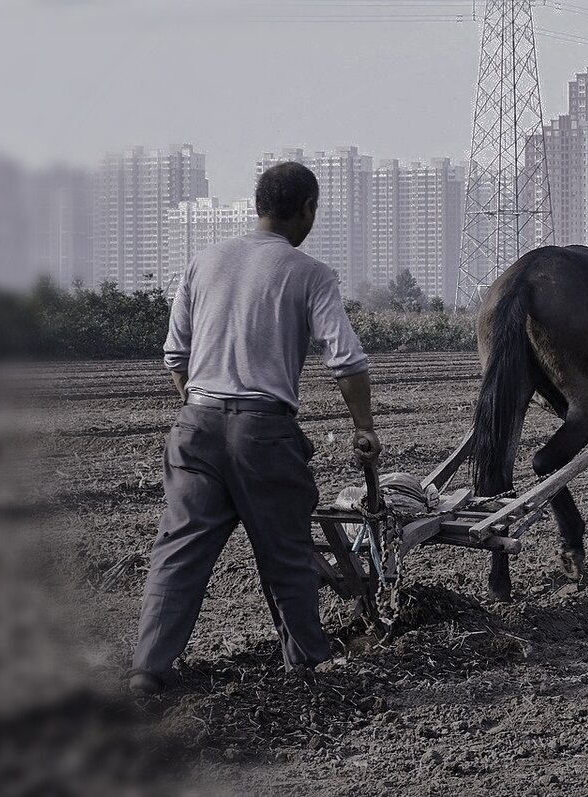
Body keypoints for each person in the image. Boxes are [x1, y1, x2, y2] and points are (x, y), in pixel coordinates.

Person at [127, 162, 381, 697]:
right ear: (308, 208)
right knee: (286, 551)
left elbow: (176, 355)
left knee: (178, 549)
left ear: (258, 204)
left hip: (195, 422)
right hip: (263, 431)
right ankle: (309, 661)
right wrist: (363, 426)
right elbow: (346, 360)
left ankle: (147, 669)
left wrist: (202, 412)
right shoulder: (310, 273)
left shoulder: (204, 261)